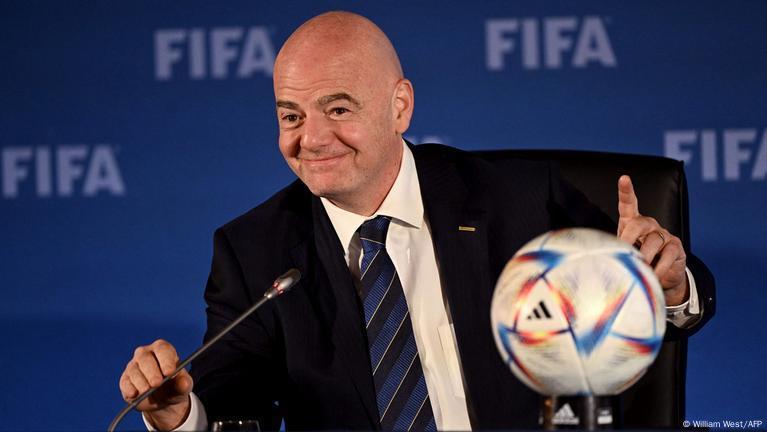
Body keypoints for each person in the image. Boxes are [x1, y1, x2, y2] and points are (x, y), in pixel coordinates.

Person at [119, 11, 714, 431]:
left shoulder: (521, 199)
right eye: (291, 115)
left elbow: (668, 299)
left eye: (338, 109)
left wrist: (664, 286)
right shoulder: (256, 250)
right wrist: (178, 414)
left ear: (399, 106)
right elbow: (231, 403)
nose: (311, 139)